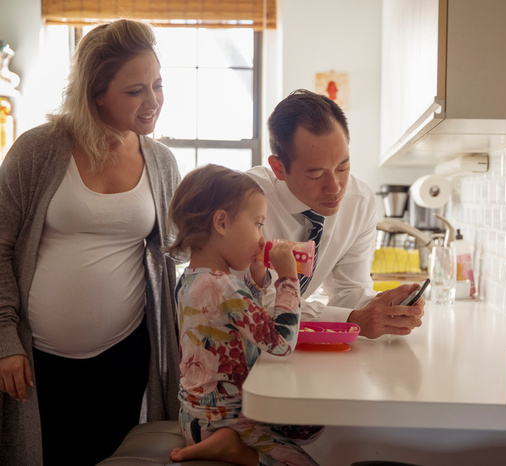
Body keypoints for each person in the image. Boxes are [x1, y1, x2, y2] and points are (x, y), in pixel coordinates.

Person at [0, 19, 181, 465]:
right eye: (135, 90)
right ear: (97, 91)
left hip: (125, 352)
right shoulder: (37, 150)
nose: (153, 100)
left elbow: (178, 253)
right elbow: (0, 246)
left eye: (158, 84)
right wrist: (5, 338)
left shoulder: (161, 163)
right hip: (37, 356)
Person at [166, 164, 320, 466]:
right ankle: (234, 451)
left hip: (195, 417)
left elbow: (237, 321)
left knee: (307, 427)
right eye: (258, 224)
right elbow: (280, 342)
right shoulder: (225, 287)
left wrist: (257, 278)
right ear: (221, 222)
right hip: (229, 421)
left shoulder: (192, 280)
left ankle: (222, 444)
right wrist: (288, 277)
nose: (262, 238)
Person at [247, 89, 424, 339]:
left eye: (343, 167)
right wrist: (353, 320)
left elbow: (349, 291)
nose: (335, 188)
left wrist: (387, 307)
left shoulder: (360, 203)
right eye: (316, 175)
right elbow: (258, 303)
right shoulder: (246, 201)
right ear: (279, 168)